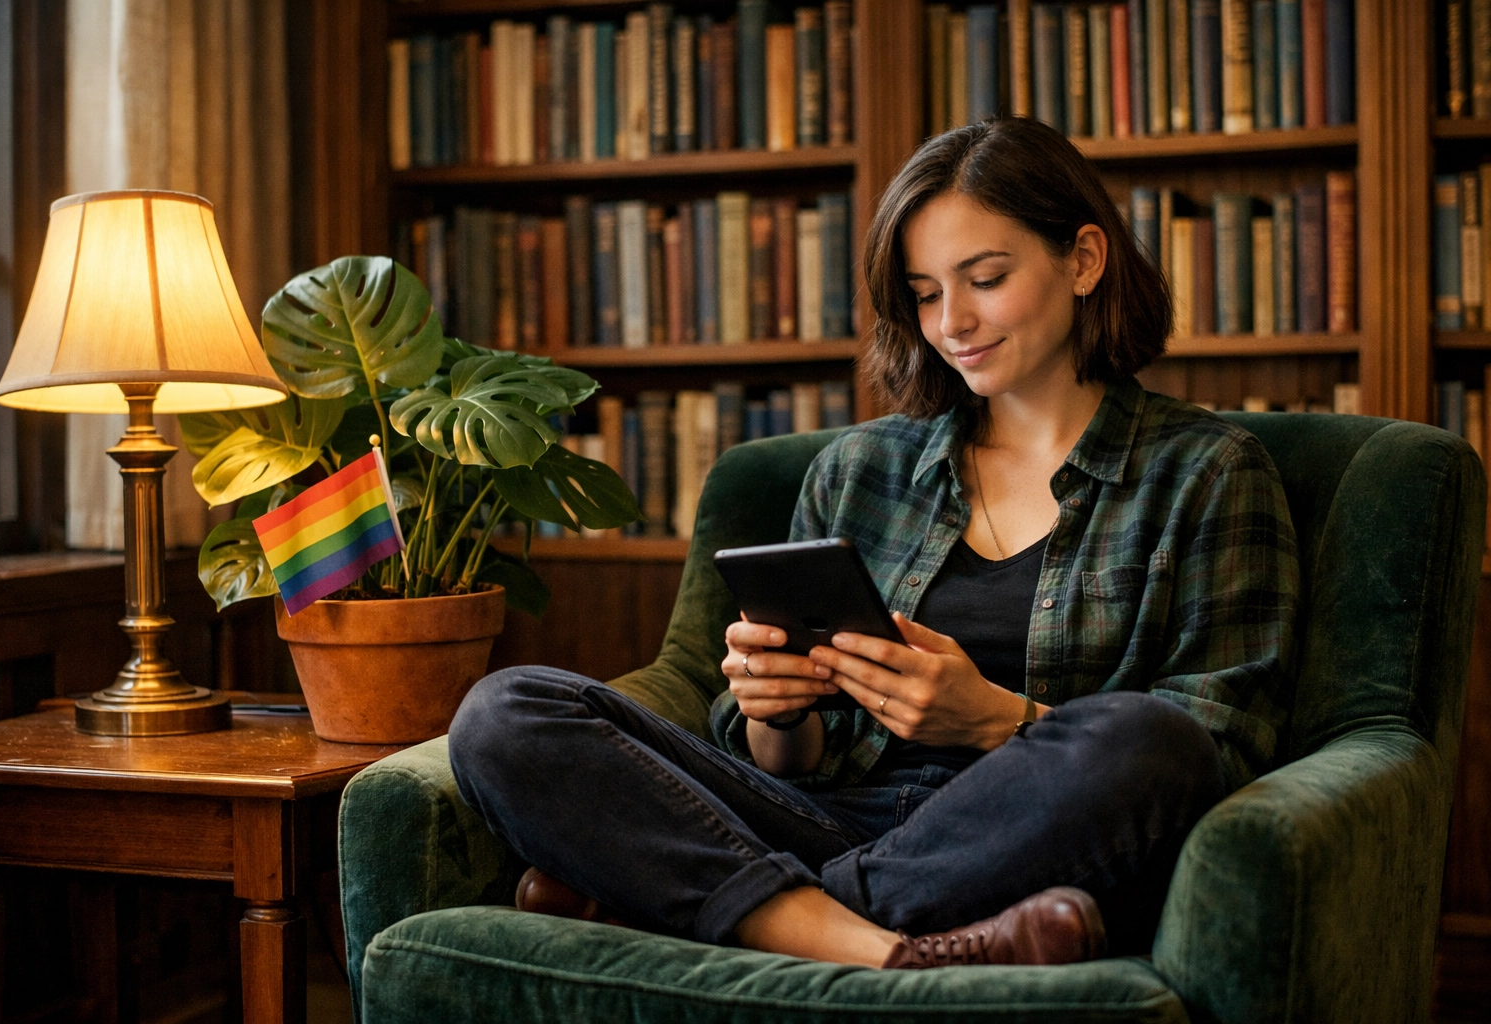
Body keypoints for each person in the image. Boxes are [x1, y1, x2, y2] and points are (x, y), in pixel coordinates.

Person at [449, 117, 1299, 970]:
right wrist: (778, 712)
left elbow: (1224, 744)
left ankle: (726, 911)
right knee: (506, 713)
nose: (953, 321)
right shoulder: (858, 470)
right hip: (823, 819)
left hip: (1010, 838)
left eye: (986, 278)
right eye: (926, 293)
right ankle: (881, 948)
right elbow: (785, 765)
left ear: (1083, 259)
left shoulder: (1206, 471)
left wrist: (996, 721)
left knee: (1151, 744)